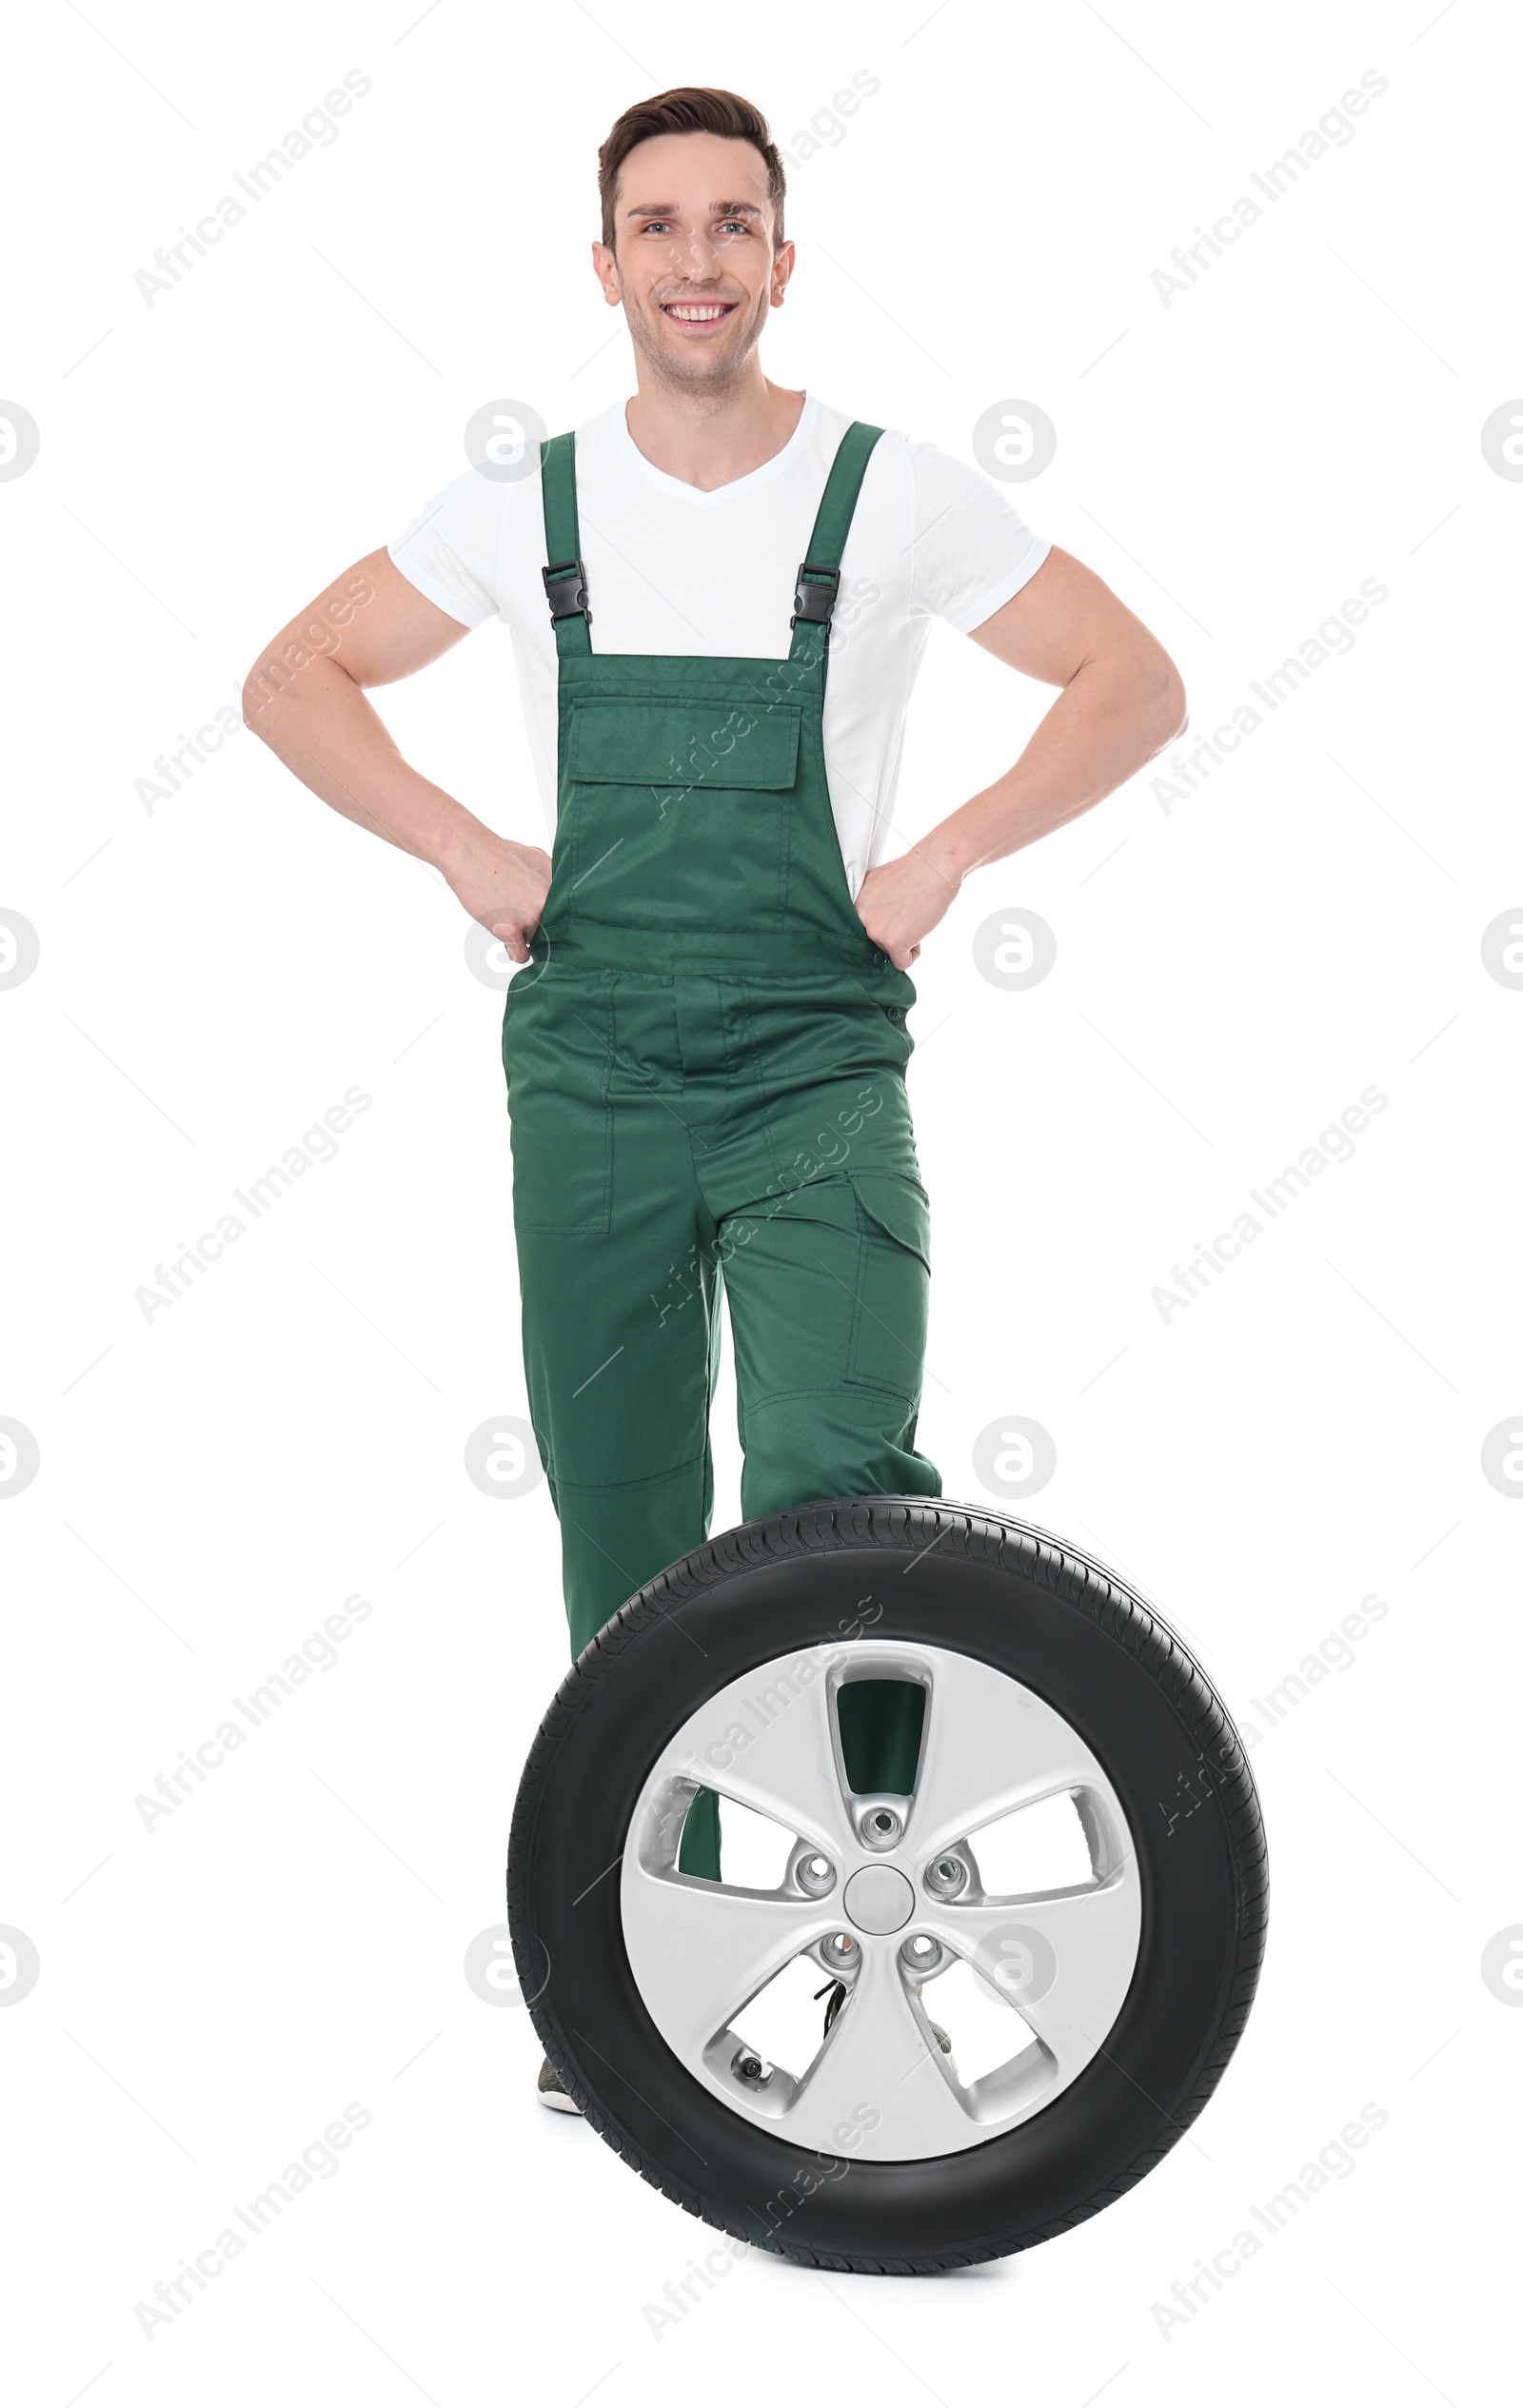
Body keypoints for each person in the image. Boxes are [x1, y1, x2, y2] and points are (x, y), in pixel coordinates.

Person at [244, 85, 1186, 2115]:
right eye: (655, 225)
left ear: (782, 254)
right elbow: (294, 675)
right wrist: (461, 849)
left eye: (730, 223)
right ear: (603, 267)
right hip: (587, 1064)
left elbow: (1132, 679)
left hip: (814, 1059)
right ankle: (628, 2000)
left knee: (840, 1496)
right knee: (625, 1529)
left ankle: (877, 1931)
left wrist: (941, 856)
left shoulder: (889, 488)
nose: (692, 258)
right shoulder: (527, 502)